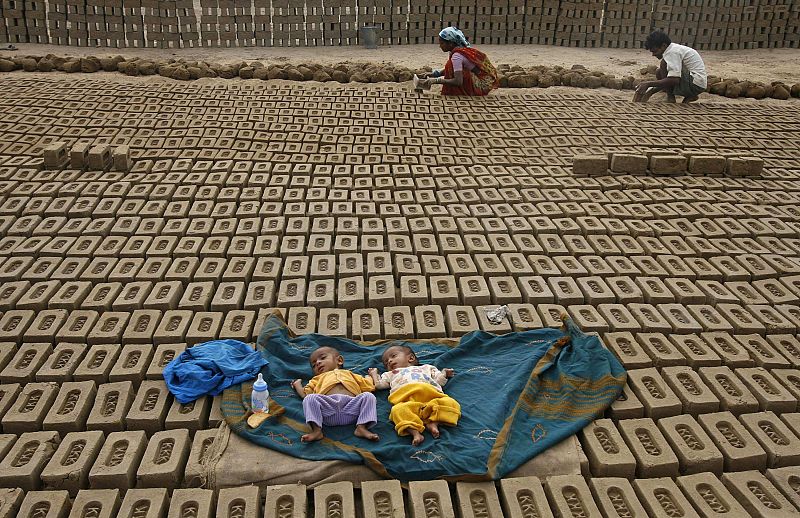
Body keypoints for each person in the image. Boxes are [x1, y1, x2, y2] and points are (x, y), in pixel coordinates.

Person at [368, 345, 460, 446]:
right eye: (386, 362)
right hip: (407, 401)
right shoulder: (390, 374)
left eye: (393, 356)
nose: (389, 361)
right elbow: (379, 385)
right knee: (397, 411)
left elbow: (439, 381)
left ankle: (434, 422)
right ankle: (415, 433)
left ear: (410, 358)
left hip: (431, 397)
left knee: (451, 403)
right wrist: (374, 374)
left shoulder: (426, 368)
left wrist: (444, 373)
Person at [292, 346, 379, 442]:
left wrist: (371, 376)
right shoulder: (317, 379)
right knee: (309, 399)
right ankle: (316, 430)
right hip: (327, 410)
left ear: (340, 360)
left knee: (369, 396)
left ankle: (361, 427)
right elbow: (305, 394)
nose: (317, 363)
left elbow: (369, 386)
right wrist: (297, 385)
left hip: (352, 408)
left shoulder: (350, 374)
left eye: (323, 358)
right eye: (313, 365)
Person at [417, 27, 499, 96]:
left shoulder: (457, 56)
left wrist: (436, 80)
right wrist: (434, 74)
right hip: (486, 79)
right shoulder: (458, 51)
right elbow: (454, 68)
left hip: (484, 85)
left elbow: (458, 81)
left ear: (451, 44)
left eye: (442, 43)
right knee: (452, 67)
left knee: (455, 71)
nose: (440, 46)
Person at [635, 30, 707, 103]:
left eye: (655, 51)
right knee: (659, 72)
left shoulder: (672, 52)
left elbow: (674, 80)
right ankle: (691, 95)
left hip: (695, 84)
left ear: (663, 46)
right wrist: (651, 91)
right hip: (698, 84)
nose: (653, 54)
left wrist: (648, 84)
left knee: (664, 64)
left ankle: (671, 97)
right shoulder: (673, 48)